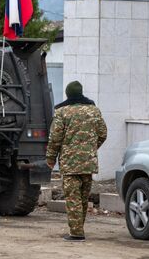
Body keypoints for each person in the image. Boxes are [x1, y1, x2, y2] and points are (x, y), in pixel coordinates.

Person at [46, 81, 107, 242]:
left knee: (73, 198)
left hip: (70, 163)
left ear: (68, 94)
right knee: (83, 197)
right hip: (88, 162)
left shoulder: (62, 112)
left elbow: (55, 139)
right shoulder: (94, 110)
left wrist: (51, 159)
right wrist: (91, 149)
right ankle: (79, 227)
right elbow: (103, 134)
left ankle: (76, 232)